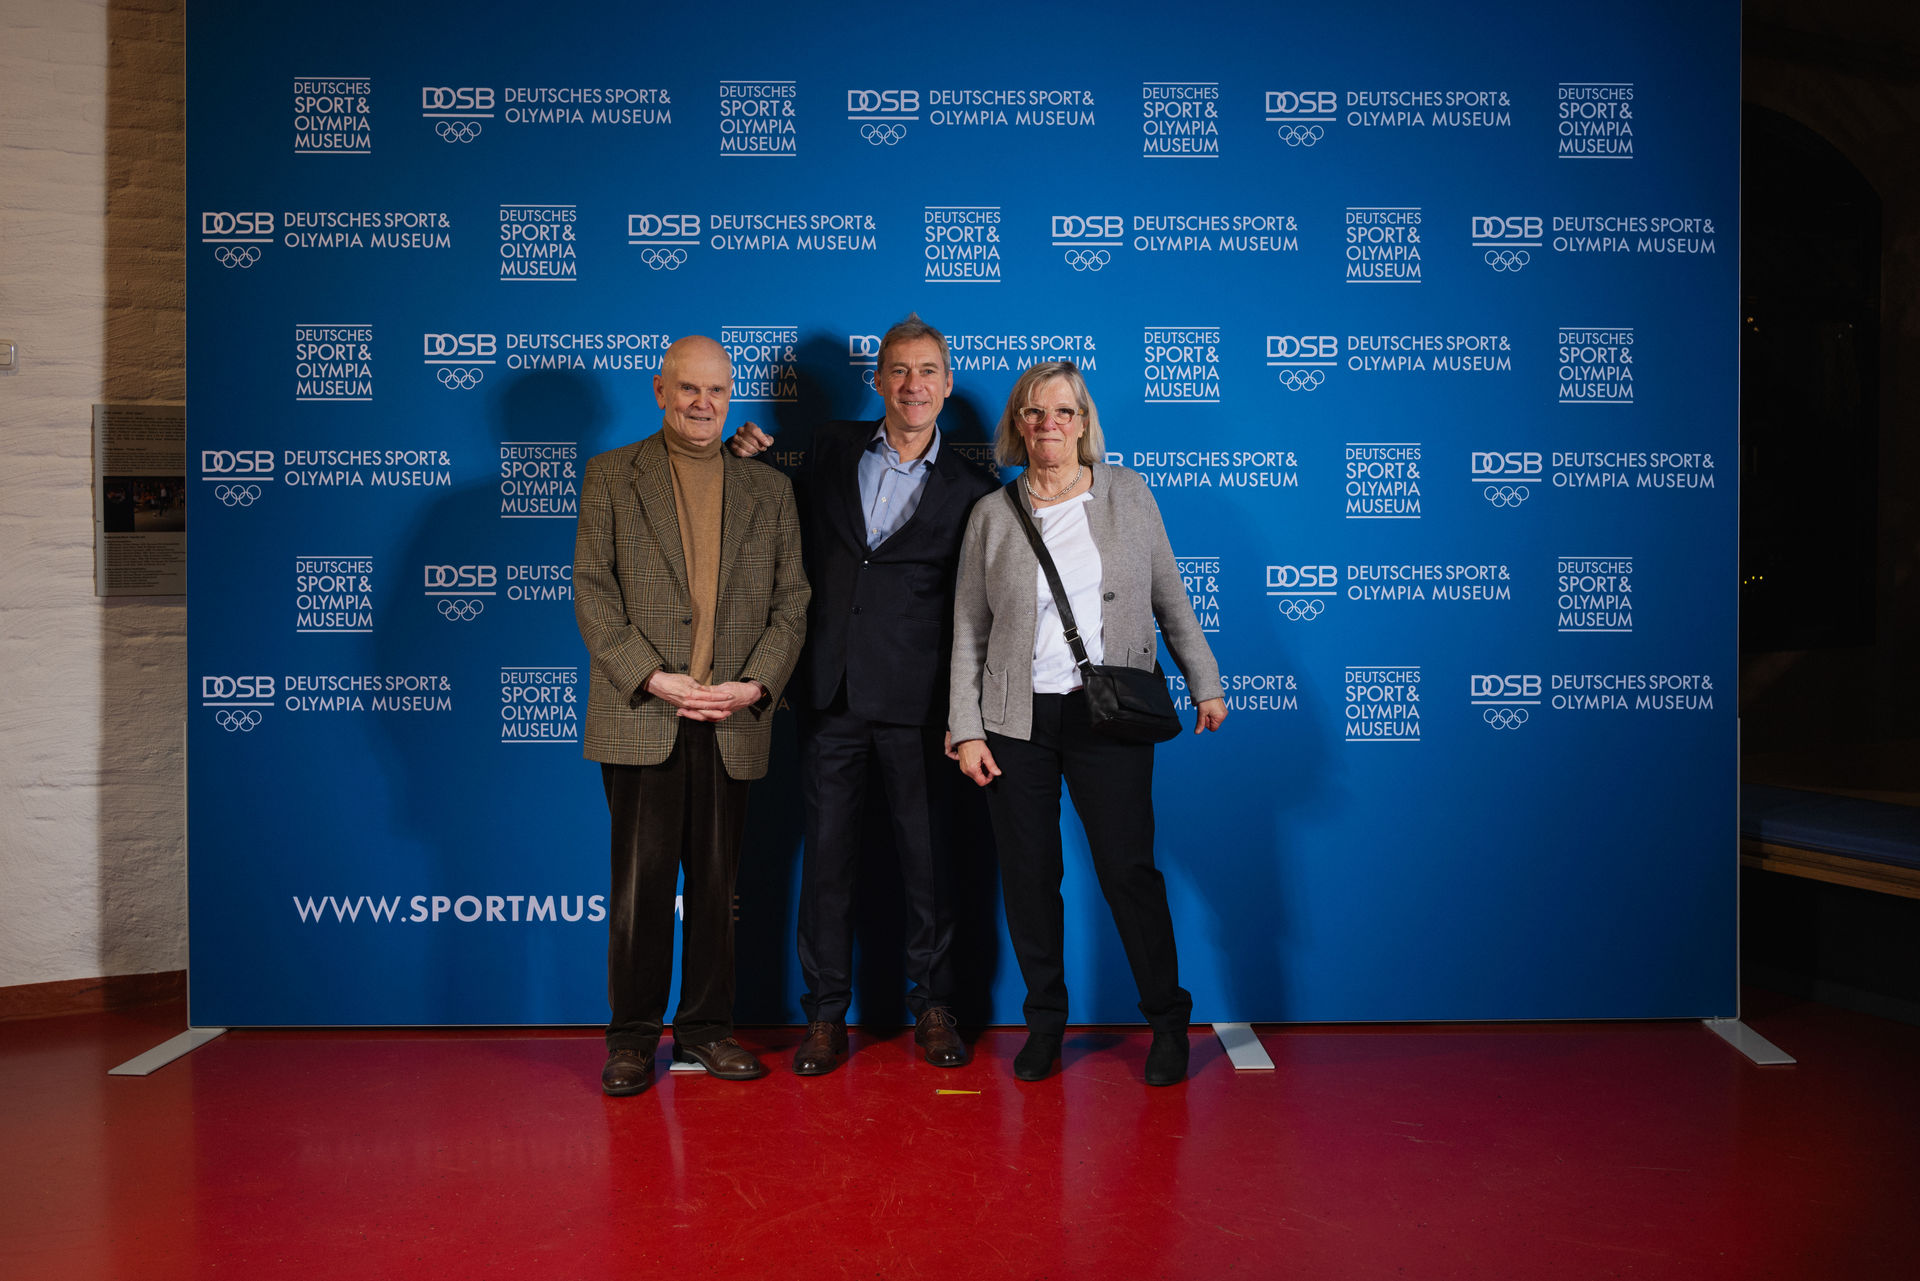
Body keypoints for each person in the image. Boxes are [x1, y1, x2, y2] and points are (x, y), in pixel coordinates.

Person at [730, 315, 998, 1074]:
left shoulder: (976, 490)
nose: (913, 385)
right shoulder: (829, 447)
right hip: (831, 694)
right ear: (877, 379)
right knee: (827, 865)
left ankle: (934, 1007)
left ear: (947, 382)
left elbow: (977, 611)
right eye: (899, 370)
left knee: (928, 865)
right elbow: (777, 516)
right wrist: (743, 460)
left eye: (928, 371)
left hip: (921, 706)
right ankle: (824, 1016)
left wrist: (967, 714)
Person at [949, 360, 1227, 1086]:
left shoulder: (1128, 492)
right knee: (1030, 877)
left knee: (1128, 871)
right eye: (1035, 412)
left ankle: (1166, 1020)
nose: (1049, 424)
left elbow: (1170, 594)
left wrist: (1204, 680)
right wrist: (966, 727)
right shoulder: (992, 514)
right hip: (1016, 721)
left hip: (1110, 715)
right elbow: (969, 630)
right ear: (1018, 424)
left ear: (1082, 422)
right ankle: (1045, 1023)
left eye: (1063, 412)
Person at [574, 335, 810, 1097]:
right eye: (688, 388)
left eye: (717, 390)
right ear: (660, 389)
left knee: (716, 888)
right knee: (640, 890)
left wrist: (755, 686)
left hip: (731, 717)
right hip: (646, 712)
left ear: (730, 395)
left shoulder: (768, 489)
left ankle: (707, 1029)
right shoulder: (611, 475)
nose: (703, 403)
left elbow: (793, 603)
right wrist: (655, 678)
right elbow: (593, 591)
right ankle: (631, 1039)